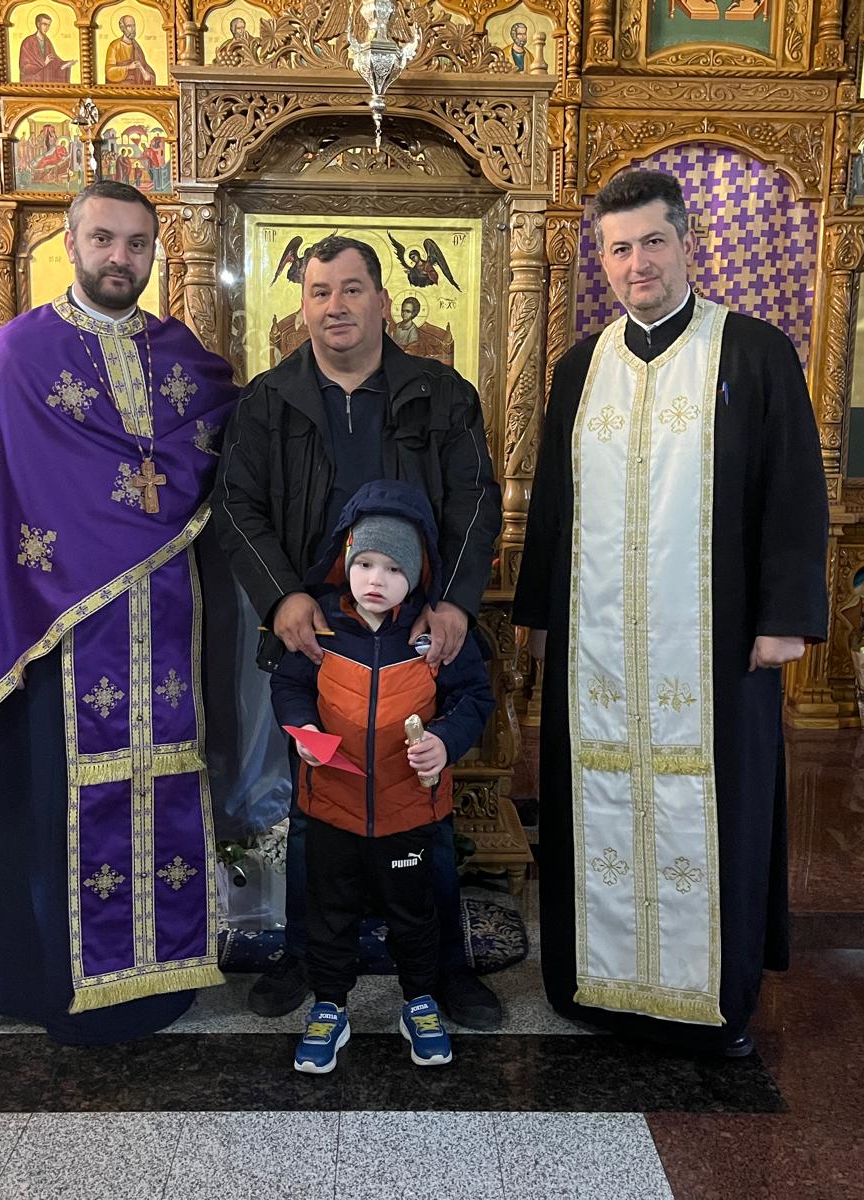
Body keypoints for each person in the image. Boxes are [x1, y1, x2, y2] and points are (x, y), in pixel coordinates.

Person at [512, 168, 827, 1058]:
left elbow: (794, 489)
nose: (636, 262)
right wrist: (540, 619)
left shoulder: (753, 353)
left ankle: (713, 999)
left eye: (653, 242)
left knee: (720, 806)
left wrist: (784, 617)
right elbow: (553, 503)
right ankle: (597, 986)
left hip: (719, 647)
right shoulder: (581, 368)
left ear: (688, 243)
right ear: (602, 260)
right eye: (619, 248)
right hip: (598, 655)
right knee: (596, 801)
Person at [0, 181, 236, 1043]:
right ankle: (43, 982)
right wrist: (0, 630)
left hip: (166, 625)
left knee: (167, 779)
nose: (119, 258)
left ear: (155, 251)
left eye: (137, 243)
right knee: (51, 801)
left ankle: (161, 973)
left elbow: (228, 445)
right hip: (52, 630)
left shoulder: (184, 360)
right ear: (70, 244)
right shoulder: (17, 357)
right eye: (103, 239)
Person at [213, 234, 503, 1029]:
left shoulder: (441, 395)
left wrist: (454, 603)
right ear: (302, 305)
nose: (334, 306)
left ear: (381, 301)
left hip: (418, 635)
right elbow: (237, 506)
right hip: (318, 637)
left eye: (350, 289)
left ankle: (442, 970)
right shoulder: (268, 402)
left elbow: (476, 502)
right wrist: (281, 598)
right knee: (318, 813)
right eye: (319, 291)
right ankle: (308, 960)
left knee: (425, 806)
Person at [270, 480, 494, 1073]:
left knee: (414, 913)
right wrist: (302, 729)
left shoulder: (433, 637)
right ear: (345, 559)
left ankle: (419, 1001)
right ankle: (329, 1005)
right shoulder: (320, 628)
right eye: (365, 562)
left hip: (409, 812)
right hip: (331, 807)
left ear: (417, 574)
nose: (376, 579)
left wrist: (444, 742)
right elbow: (290, 686)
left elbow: (473, 699)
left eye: (394, 568)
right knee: (330, 911)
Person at [19, 11, 74, 83]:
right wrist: (44, 63)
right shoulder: (28, 42)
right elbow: (24, 67)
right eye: (44, 24)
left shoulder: (47, 42)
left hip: (45, 81)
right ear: (38, 24)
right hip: (33, 82)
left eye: (48, 25)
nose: (47, 28)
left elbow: (54, 60)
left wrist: (65, 64)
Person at [105, 13, 157, 85]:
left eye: (134, 25)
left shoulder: (136, 47)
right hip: (120, 87)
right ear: (122, 28)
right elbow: (109, 72)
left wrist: (148, 75)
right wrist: (128, 67)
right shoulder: (114, 46)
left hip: (136, 87)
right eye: (129, 26)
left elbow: (145, 67)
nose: (133, 29)